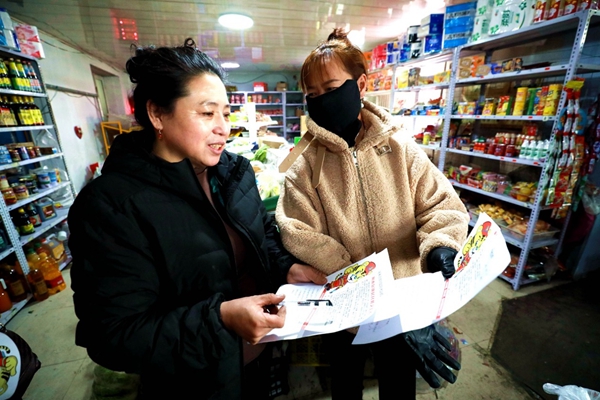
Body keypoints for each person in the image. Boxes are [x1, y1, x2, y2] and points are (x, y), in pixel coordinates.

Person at [68, 38, 326, 400]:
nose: (224, 128)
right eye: (207, 114)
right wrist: (220, 319)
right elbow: (113, 336)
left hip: (258, 359)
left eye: (226, 113)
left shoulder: (234, 172)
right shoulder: (112, 206)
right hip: (194, 383)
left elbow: (261, 233)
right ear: (157, 114)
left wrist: (287, 267)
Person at [275, 28, 469, 399]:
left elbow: (440, 203)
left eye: (331, 88)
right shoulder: (304, 166)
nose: (322, 100)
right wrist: (361, 284)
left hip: (404, 305)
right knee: (345, 384)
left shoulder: (400, 147)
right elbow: (298, 232)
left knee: (398, 385)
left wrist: (440, 244)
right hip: (344, 309)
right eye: (312, 94)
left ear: (360, 84)